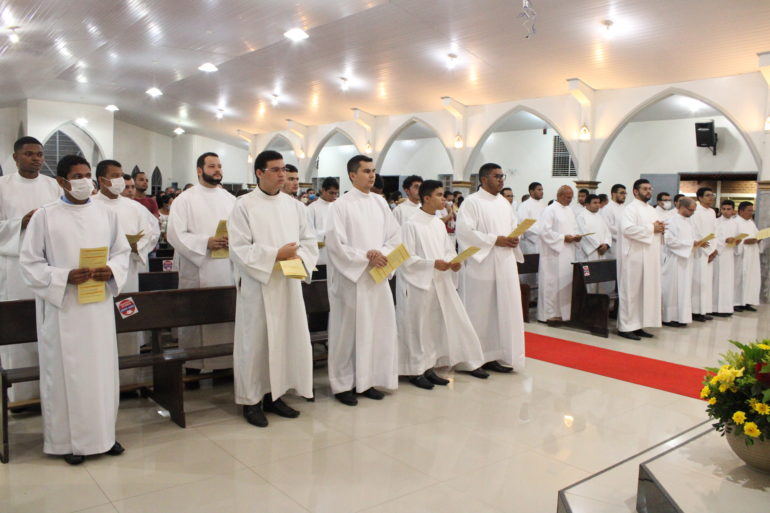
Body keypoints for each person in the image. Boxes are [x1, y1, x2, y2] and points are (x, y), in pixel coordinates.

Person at [19, 154, 130, 465]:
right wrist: (63, 276)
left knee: (101, 373)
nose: (84, 181)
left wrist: (111, 270)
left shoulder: (106, 214)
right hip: (63, 309)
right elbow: (29, 264)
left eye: (87, 175)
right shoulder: (45, 216)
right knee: (67, 375)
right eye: (77, 177)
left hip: (97, 308)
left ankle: (104, 436)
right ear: (61, 181)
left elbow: (121, 252)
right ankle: (66, 442)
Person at [228, 150, 318, 428]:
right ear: (259, 173)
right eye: (275, 169)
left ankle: (275, 395)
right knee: (255, 344)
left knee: (284, 341)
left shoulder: (295, 206)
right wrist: (274, 255)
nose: (282, 175)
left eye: (284, 169)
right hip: (258, 286)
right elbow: (239, 248)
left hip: (288, 285)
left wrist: (300, 258)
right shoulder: (243, 205)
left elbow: (309, 241)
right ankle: (252, 401)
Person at [325, 155, 401, 406]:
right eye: (366, 171)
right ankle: (342, 384)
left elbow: (395, 237)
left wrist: (383, 255)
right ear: (352, 175)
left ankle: (366, 380)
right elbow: (336, 244)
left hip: (377, 276)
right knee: (347, 333)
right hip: (352, 279)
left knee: (375, 330)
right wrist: (365, 256)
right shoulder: (339, 206)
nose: (372, 175)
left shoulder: (380, 203)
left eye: (373, 170)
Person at [397, 180, 487, 389]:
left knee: (432, 327)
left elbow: (447, 250)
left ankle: (429, 367)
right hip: (418, 284)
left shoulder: (438, 223)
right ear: (426, 198)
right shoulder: (411, 224)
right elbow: (406, 258)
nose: (444, 199)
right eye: (439, 195)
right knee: (417, 327)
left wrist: (453, 262)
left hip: (439, 281)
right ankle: (415, 370)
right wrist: (432, 264)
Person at [0, 136, 61, 404]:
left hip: (47, 265)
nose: (36, 158)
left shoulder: (53, 186)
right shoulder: (2, 187)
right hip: (14, 267)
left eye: (39, 154)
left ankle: (51, 390)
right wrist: (20, 223)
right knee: (19, 325)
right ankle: (20, 395)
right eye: (29, 154)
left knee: (47, 327)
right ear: (15, 158)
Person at [166, 152, 237, 378]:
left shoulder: (230, 199)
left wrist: (233, 240)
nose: (217, 170)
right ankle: (193, 367)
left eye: (219, 166)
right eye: (212, 166)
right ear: (199, 170)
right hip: (198, 268)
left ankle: (225, 366)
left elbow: (242, 230)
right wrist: (205, 242)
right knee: (195, 320)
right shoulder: (184, 200)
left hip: (226, 269)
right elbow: (175, 234)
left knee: (224, 317)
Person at [93, 160, 160, 386]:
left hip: (128, 275)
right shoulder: (90, 205)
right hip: (98, 276)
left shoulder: (134, 207)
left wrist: (137, 246)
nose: (120, 180)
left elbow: (152, 232)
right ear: (102, 180)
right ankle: (101, 381)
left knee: (127, 321)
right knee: (100, 328)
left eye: (122, 175)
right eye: (115, 175)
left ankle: (128, 381)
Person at [456, 163, 525, 373]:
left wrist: (514, 238)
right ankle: (473, 360)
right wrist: (495, 240)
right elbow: (465, 232)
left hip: (505, 264)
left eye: (503, 176)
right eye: (497, 176)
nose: (501, 179)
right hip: (482, 266)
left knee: (500, 312)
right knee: (479, 312)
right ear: (484, 179)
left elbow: (514, 226)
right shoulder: (472, 202)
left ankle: (493, 355)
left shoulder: (504, 203)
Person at [617, 179, 664, 340]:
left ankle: (638, 325)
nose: (648, 191)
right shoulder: (630, 209)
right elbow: (627, 229)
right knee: (631, 292)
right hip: (634, 257)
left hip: (649, 256)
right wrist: (652, 228)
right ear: (635, 191)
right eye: (645, 189)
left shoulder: (652, 210)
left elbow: (656, 228)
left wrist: (661, 229)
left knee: (645, 292)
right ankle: (625, 327)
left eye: (650, 188)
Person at [537, 186, 581, 324]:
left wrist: (576, 236)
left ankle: (564, 314)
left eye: (571, 197)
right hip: (553, 254)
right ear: (559, 195)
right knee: (552, 284)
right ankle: (549, 315)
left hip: (568, 253)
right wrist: (562, 238)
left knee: (565, 283)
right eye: (568, 197)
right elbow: (544, 231)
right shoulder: (550, 210)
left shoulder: (569, 210)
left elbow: (574, 227)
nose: (570, 200)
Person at [661, 197, 698, 327]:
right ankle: (668, 318)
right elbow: (669, 241)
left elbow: (691, 239)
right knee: (672, 289)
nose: (692, 213)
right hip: (674, 260)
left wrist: (696, 243)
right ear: (682, 207)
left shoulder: (689, 222)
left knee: (684, 289)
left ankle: (681, 317)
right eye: (691, 210)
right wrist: (690, 244)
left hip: (686, 259)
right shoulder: (670, 221)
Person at [691, 187, 717, 322]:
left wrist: (713, 249)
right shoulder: (696, 212)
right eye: (707, 195)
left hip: (709, 251)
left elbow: (715, 231)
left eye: (712, 195)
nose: (711, 198)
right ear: (700, 198)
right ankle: (695, 311)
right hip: (699, 251)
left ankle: (704, 310)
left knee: (706, 282)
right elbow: (696, 231)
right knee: (698, 281)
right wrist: (706, 250)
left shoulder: (712, 212)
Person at [712, 199, 740, 317]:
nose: (726, 211)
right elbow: (714, 237)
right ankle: (714, 307)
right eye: (723, 209)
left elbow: (738, 238)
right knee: (717, 281)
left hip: (729, 254)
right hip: (719, 255)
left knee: (728, 282)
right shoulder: (716, 222)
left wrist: (736, 241)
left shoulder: (735, 223)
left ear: (733, 210)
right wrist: (724, 240)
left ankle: (726, 308)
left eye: (728, 209)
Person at [306, 177, 339, 268]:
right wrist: (326, 235)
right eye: (331, 193)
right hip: (320, 254)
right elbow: (309, 232)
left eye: (336, 193)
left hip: (337, 253)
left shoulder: (338, 206)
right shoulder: (312, 208)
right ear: (323, 190)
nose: (334, 196)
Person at [733, 202, 760, 312]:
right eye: (749, 210)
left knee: (751, 278)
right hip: (741, 255)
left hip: (752, 254)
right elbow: (733, 239)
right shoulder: (735, 222)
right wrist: (745, 241)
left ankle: (747, 301)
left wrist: (758, 239)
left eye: (752, 210)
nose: (751, 213)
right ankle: (736, 302)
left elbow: (756, 234)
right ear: (741, 211)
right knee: (739, 278)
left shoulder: (751, 223)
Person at [576, 194, 612, 263]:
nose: (598, 205)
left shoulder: (600, 216)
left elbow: (607, 232)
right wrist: (598, 246)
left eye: (598, 202)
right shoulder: (581, 217)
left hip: (602, 250)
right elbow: (585, 234)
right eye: (595, 203)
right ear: (587, 204)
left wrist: (606, 244)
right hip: (590, 252)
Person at [516, 182, 546, 255]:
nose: (542, 192)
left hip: (542, 240)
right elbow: (523, 225)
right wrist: (540, 230)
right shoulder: (524, 205)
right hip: (530, 242)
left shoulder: (543, 204)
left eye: (542, 190)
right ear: (531, 192)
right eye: (539, 190)